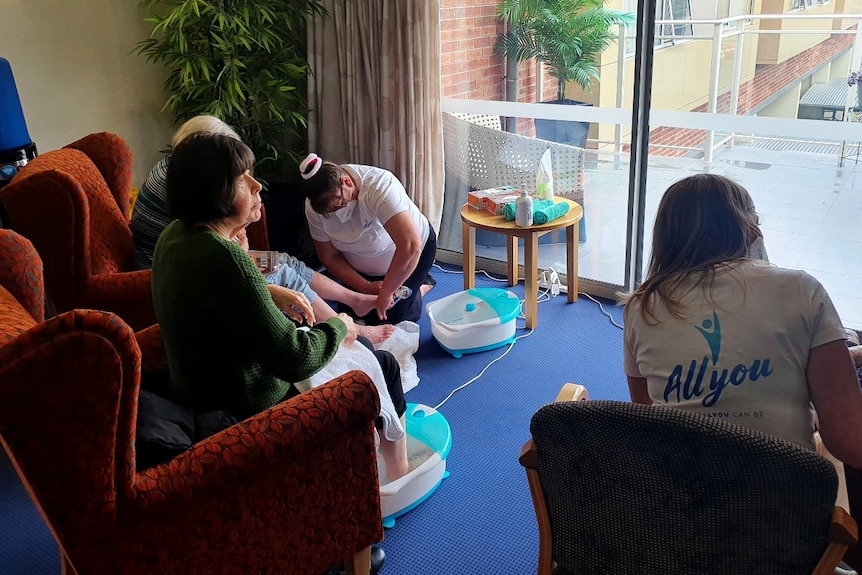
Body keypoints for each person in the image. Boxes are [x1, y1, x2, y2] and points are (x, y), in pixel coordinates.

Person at [151, 132, 410, 490]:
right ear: (216, 194)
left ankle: (367, 459)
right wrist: (339, 325)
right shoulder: (224, 259)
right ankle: (395, 484)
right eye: (244, 180)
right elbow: (294, 359)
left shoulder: (176, 237)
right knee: (382, 365)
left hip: (201, 393)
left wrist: (270, 291)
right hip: (249, 411)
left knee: (357, 350)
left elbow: (219, 295)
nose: (259, 186)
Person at [621, 173, 862, 469]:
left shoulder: (641, 307)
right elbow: (850, 441)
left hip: (680, 500)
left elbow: (649, 418)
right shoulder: (800, 290)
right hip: (785, 503)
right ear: (748, 230)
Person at [131, 115, 394, 344]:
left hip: (192, 264)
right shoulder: (192, 205)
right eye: (238, 175)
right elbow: (224, 271)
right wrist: (248, 262)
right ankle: (349, 328)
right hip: (165, 272)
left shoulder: (176, 175)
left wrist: (241, 243)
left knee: (280, 260)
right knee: (280, 272)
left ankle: (353, 300)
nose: (255, 185)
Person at [299, 153, 437, 325]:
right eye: (330, 212)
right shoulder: (314, 206)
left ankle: (421, 285)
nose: (338, 213)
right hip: (362, 267)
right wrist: (364, 286)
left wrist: (387, 291)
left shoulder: (379, 186)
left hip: (412, 255)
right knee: (351, 311)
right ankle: (400, 289)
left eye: (340, 204)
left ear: (347, 182)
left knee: (391, 317)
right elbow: (328, 257)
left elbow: (410, 246)